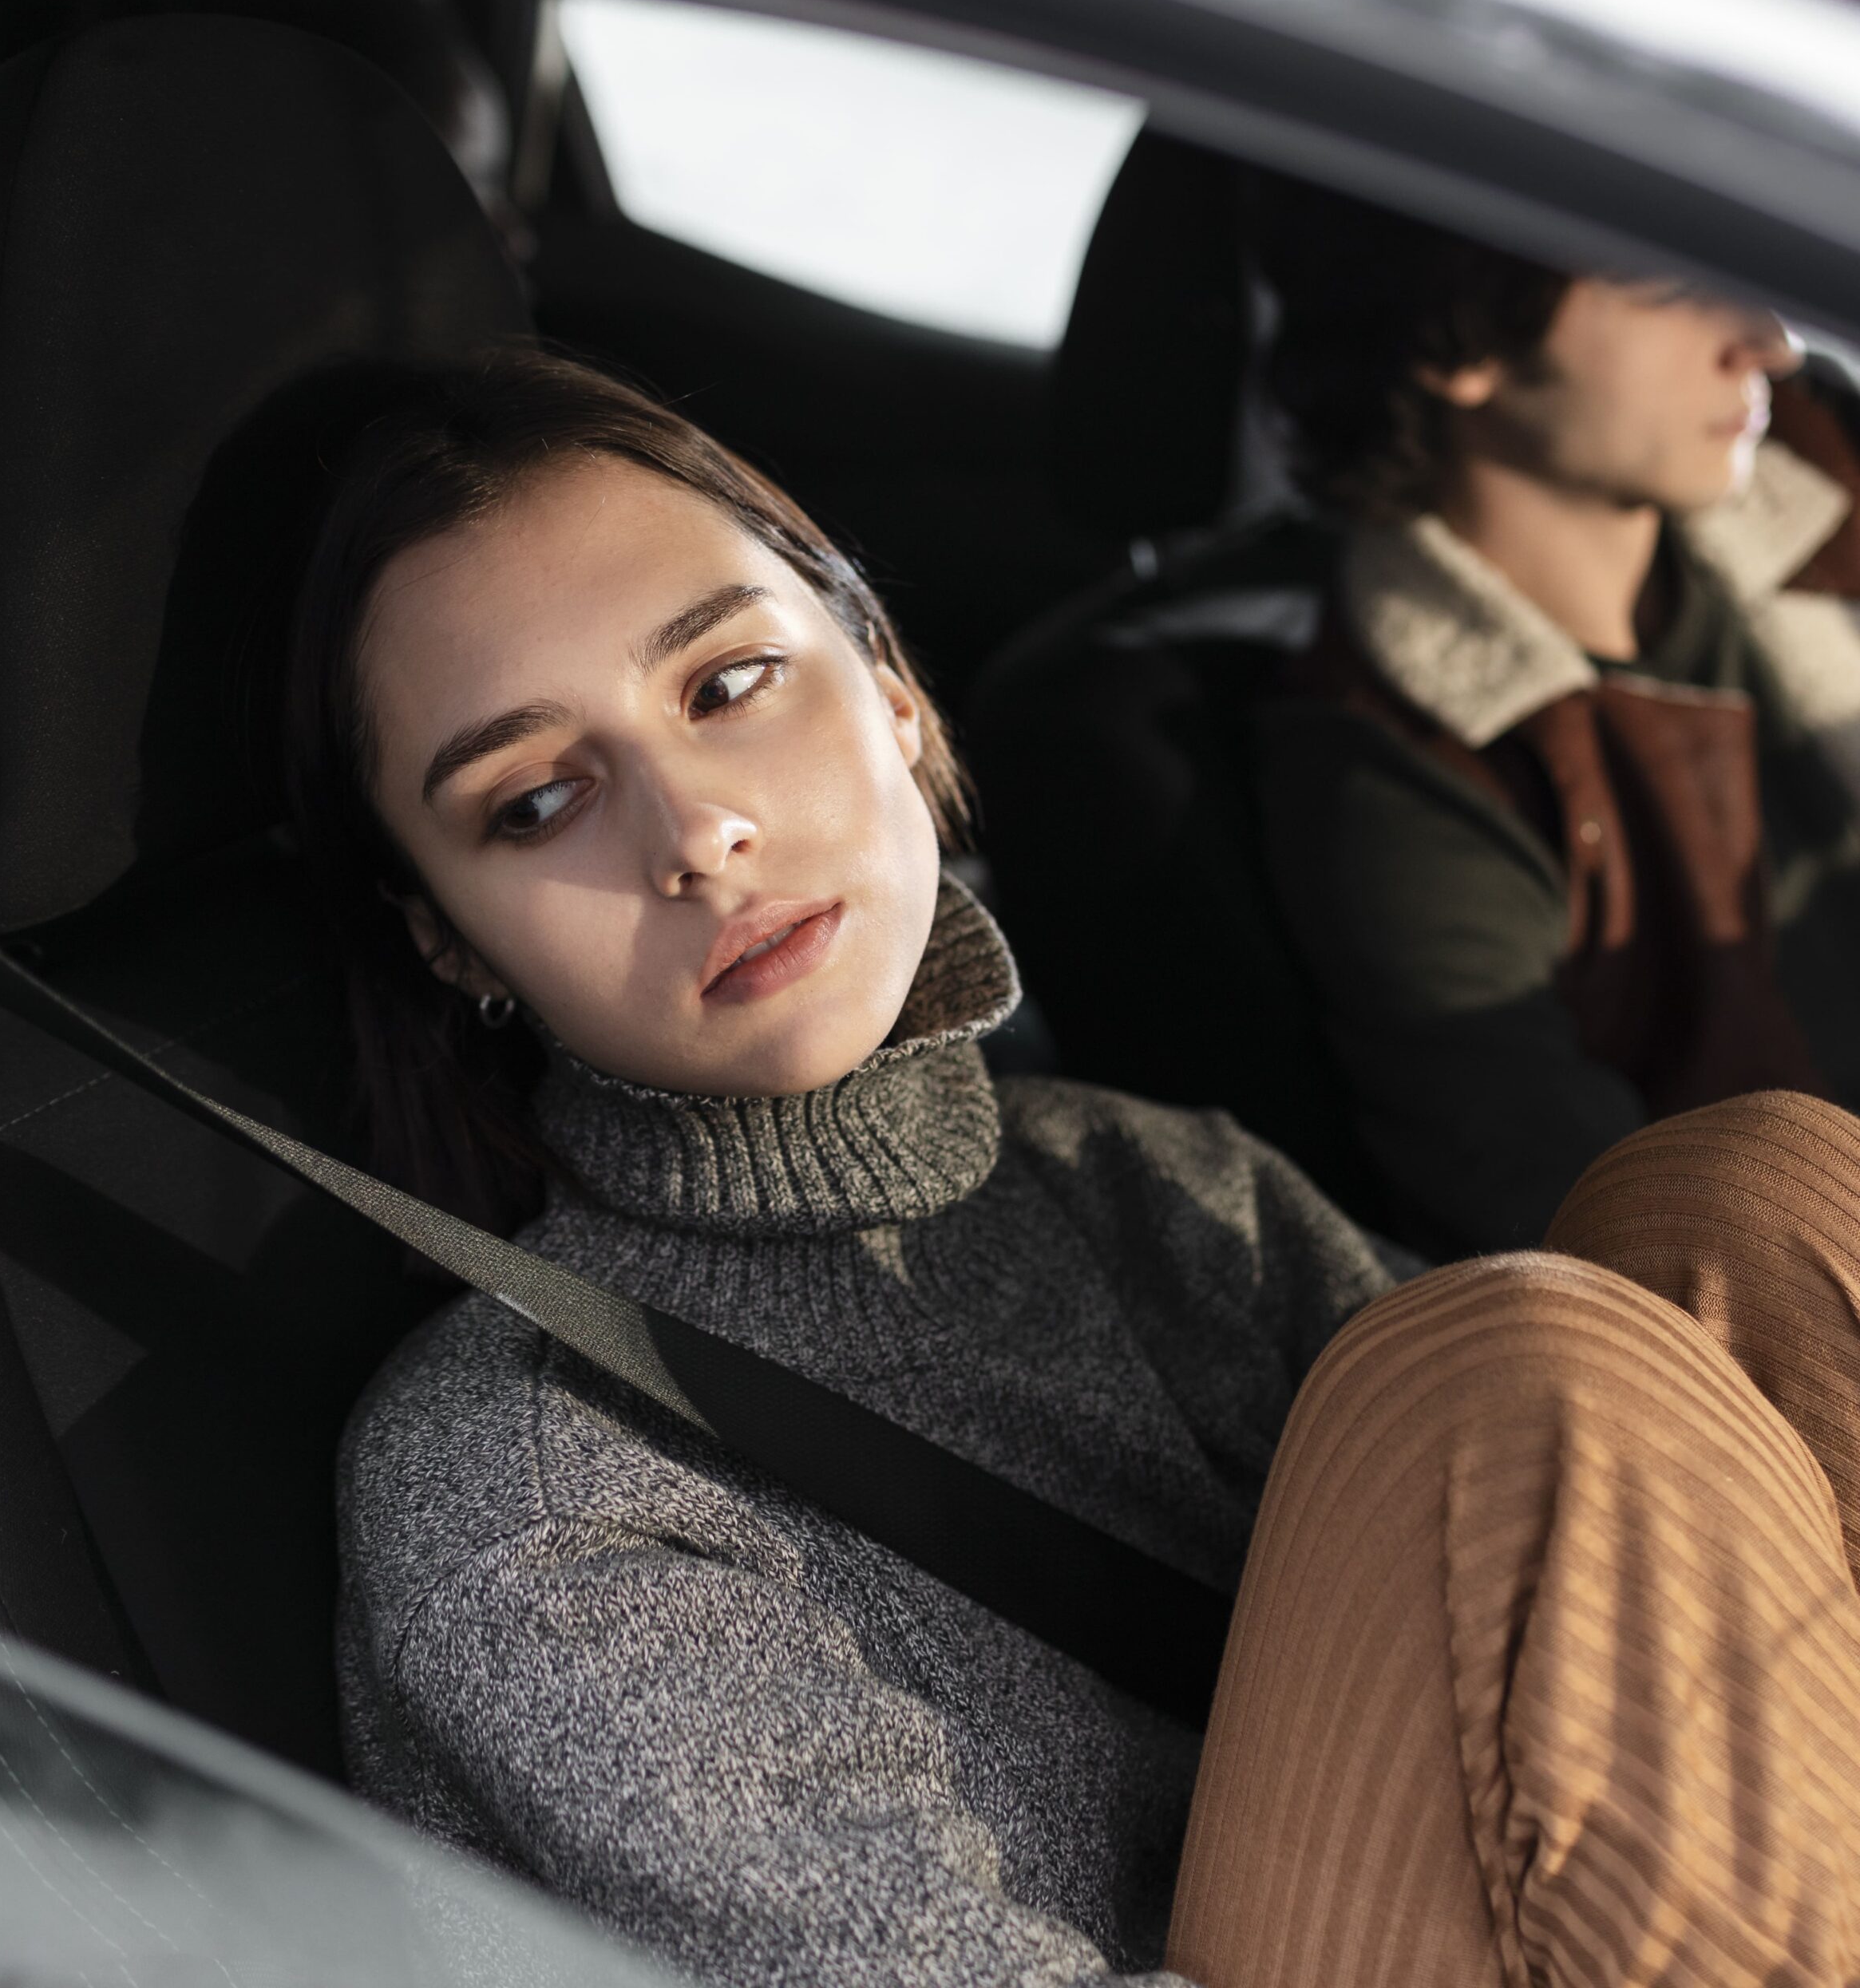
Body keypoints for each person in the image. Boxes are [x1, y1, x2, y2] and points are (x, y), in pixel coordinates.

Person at [285, 349, 1860, 1987]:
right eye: (535, 801)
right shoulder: (522, 1484)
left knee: (1755, 1191)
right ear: (450, 943)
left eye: (727, 685)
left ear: (888, 690)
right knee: (1526, 1365)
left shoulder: (1146, 1181)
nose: (690, 832)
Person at [1243, 180, 1860, 1253]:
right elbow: (1614, 1258)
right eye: (1672, 286)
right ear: (1459, 345)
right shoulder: (1409, 776)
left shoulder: (1821, 462)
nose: (1766, 340)